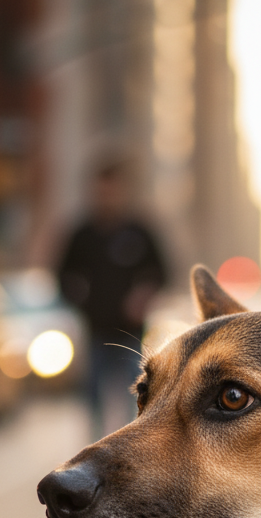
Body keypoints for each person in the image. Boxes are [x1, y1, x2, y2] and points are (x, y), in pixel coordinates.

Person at [57, 157, 168, 437]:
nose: (107, 196)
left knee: (138, 397)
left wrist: (143, 296)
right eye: (101, 189)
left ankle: (133, 448)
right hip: (96, 333)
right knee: (93, 399)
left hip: (131, 334)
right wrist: (84, 305)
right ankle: (96, 451)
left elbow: (162, 272)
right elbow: (62, 276)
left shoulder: (139, 231)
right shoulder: (82, 233)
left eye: (112, 189)